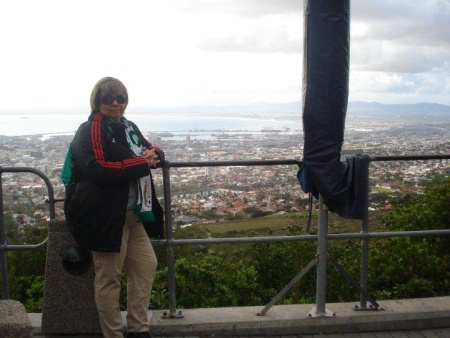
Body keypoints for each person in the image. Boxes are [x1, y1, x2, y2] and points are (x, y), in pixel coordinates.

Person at [63, 76, 164, 338]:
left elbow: (148, 149)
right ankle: (113, 335)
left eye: (121, 98)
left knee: (145, 266)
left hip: (133, 214)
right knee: (109, 279)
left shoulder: (128, 127)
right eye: (108, 98)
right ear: (97, 101)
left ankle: (138, 328)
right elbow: (97, 168)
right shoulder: (91, 129)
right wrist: (143, 162)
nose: (116, 103)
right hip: (105, 217)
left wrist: (156, 155)